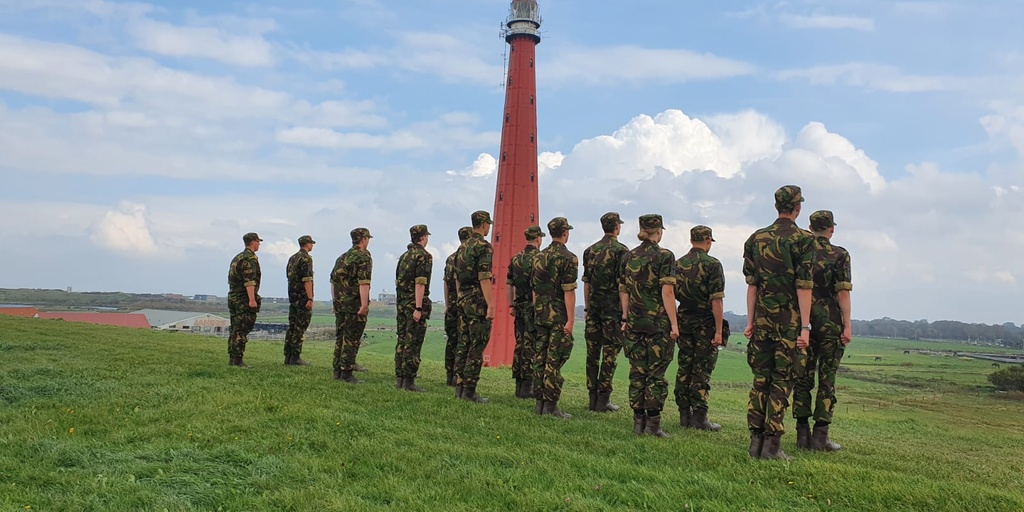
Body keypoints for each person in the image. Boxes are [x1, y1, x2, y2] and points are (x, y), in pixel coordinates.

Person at [742, 185, 815, 460]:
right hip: (789, 324)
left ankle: (756, 442)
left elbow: (752, 286)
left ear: (776, 206)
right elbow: (804, 286)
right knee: (782, 382)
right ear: (798, 208)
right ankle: (772, 446)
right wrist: (805, 327)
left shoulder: (755, 238)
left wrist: (750, 321)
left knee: (760, 381)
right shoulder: (804, 240)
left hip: (762, 321)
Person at [793, 210, 852, 452]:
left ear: (810, 227)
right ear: (832, 229)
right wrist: (847, 325)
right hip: (830, 323)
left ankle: (801, 433)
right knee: (827, 380)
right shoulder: (840, 255)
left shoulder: (800, 251)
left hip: (802, 321)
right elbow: (843, 293)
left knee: (802, 378)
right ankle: (820, 437)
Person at [619, 214, 678, 437]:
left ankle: (638, 422)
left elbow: (624, 290)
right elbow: (667, 292)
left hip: (634, 323)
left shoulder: (628, 256)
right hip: (658, 325)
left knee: (637, 372)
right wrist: (674, 324)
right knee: (655, 374)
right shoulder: (665, 256)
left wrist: (625, 317)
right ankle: (653, 425)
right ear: (659, 232)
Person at [673, 225, 726, 431]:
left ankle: (684, 414)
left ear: (691, 240)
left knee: (684, 366)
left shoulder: (678, 264)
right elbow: (716, 300)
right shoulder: (713, 264)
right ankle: (700, 417)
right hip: (705, 323)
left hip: (684, 320)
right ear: (708, 241)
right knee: (701, 369)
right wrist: (719, 331)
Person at [531, 218, 578, 418]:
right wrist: (571, 319)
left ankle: (540, 403)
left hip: (541, 313)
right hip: (558, 315)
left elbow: (535, 288)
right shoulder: (569, 258)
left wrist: (537, 309)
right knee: (554, 359)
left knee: (540, 357)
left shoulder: (538, 257)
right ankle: (551, 406)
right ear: (565, 233)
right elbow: (569, 291)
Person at [582, 212, 628, 412]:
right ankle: (603, 399)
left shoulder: (590, 251)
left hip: (594, 309)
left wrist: (587, 308)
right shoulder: (622, 251)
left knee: (592, 354)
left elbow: (586, 284)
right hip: (613, 311)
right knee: (610, 354)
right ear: (617, 227)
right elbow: (622, 285)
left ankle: (592, 397)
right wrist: (625, 314)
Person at [454, 210, 495, 403]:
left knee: (463, 343)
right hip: (477, 300)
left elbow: (456, 277)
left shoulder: (462, 247)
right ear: (485, 224)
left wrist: (460, 297)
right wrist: (490, 305)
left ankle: (459, 386)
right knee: (477, 345)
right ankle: (469, 391)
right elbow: (484, 277)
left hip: (462, 298)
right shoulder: (484, 247)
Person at [507, 225, 545, 399]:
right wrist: (538, 309)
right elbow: (537, 286)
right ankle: (528, 387)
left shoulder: (516, 258)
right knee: (531, 346)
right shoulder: (539, 258)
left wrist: (511, 305)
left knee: (520, 345)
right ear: (538, 238)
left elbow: (509, 284)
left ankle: (519, 384)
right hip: (532, 307)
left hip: (519, 307)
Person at [331, 228, 373, 384]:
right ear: (364, 239)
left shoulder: (342, 257)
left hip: (340, 303)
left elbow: (333, 281)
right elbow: (364, 283)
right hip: (354, 304)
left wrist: (335, 301)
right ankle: (347, 373)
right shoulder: (364, 257)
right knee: (352, 339)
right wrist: (364, 304)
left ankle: (337, 370)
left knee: (340, 337)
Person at [395, 224, 433, 392]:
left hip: (402, 303)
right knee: (413, 342)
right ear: (423, 237)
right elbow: (420, 283)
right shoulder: (424, 256)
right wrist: (418, 307)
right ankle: (409, 381)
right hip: (414, 304)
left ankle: (400, 379)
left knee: (402, 340)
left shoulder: (404, 256)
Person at [227, 232, 263, 368]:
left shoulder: (238, 257)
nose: (259, 244)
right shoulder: (250, 259)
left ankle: (233, 358)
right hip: (243, 299)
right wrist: (252, 300)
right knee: (242, 329)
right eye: (258, 242)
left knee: (235, 329)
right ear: (253, 242)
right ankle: (237, 360)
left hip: (233, 297)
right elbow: (249, 281)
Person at [443, 226, 473, 386]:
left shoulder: (450, 258)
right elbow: (458, 282)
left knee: (451, 341)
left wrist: (447, 304)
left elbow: (446, 284)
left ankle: (450, 375)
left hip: (452, 305)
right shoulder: (466, 258)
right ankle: (459, 376)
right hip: (464, 304)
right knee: (464, 341)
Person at [284, 235, 316, 366]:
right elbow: (307, 280)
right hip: (302, 297)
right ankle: (295, 356)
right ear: (307, 244)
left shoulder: (292, 258)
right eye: (311, 243)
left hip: (293, 297)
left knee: (292, 326)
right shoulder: (306, 258)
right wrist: (310, 298)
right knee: (300, 327)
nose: (312, 245)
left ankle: (288, 355)